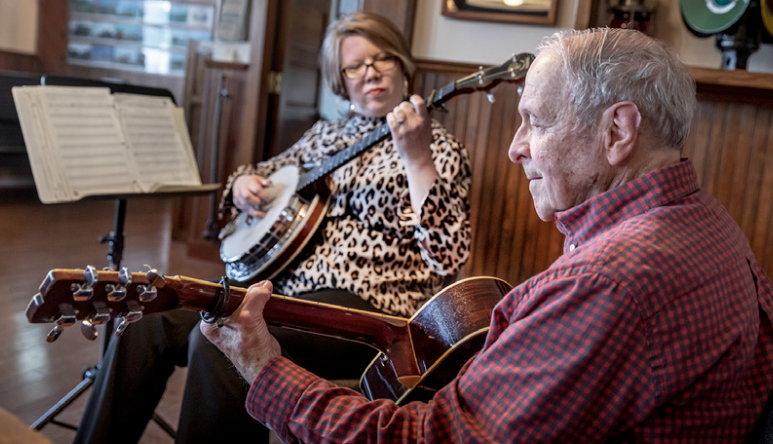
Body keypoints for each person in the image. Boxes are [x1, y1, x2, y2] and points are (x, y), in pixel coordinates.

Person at [202, 27, 773, 443]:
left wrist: (264, 370)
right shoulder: (707, 222)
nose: (515, 146)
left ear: (618, 130)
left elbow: (426, 439)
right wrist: (245, 184)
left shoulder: (606, 282)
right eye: (353, 67)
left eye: (537, 120)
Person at [73, 11, 471, 444]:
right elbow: (257, 175)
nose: (370, 72)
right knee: (145, 318)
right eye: (354, 65)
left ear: (401, 63)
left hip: (370, 311)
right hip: (278, 290)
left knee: (221, 346)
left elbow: (448, 257)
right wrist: (243, 184)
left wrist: (416, 159)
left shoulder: (438, 148)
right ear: (340, 80)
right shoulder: (323, 136)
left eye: (383, 58)